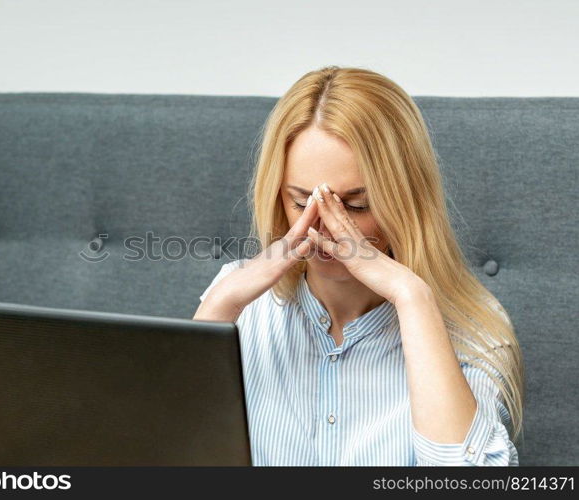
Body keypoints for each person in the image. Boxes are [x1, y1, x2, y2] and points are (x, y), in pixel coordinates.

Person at [194, 66, 523, 466]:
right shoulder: (237, 299)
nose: (327, 227)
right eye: (301, 202)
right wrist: (219, 308)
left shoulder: (472, 328)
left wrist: (412, 296)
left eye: (356, 206)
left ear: (405, 201)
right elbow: (160, 455)